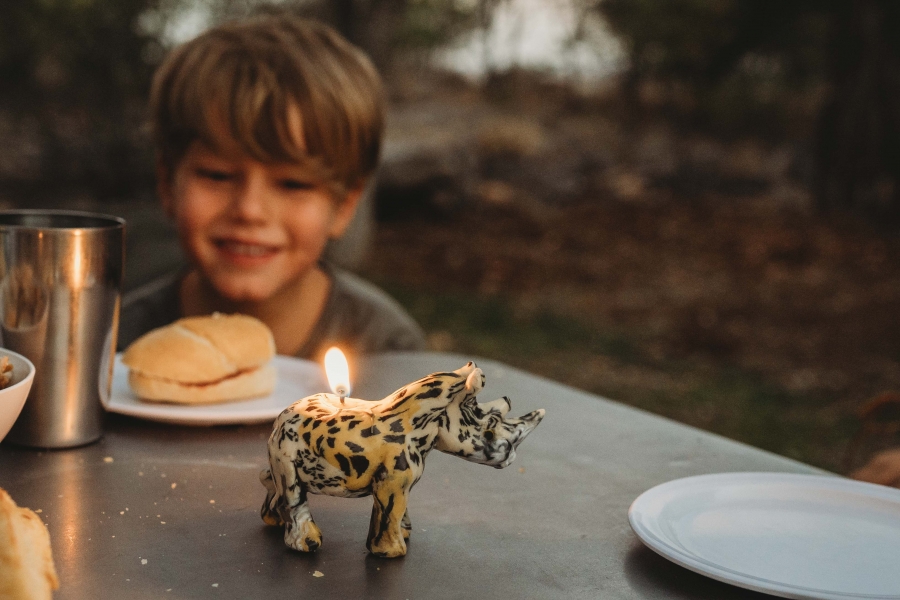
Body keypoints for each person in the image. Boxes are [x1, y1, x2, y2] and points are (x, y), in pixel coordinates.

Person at [117, 14, 426, 361]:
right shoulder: (116, 348)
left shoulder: (387, 352)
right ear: (167, 184)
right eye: (217, 175)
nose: (250, 209)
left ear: (344, 206)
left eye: (293, 184)